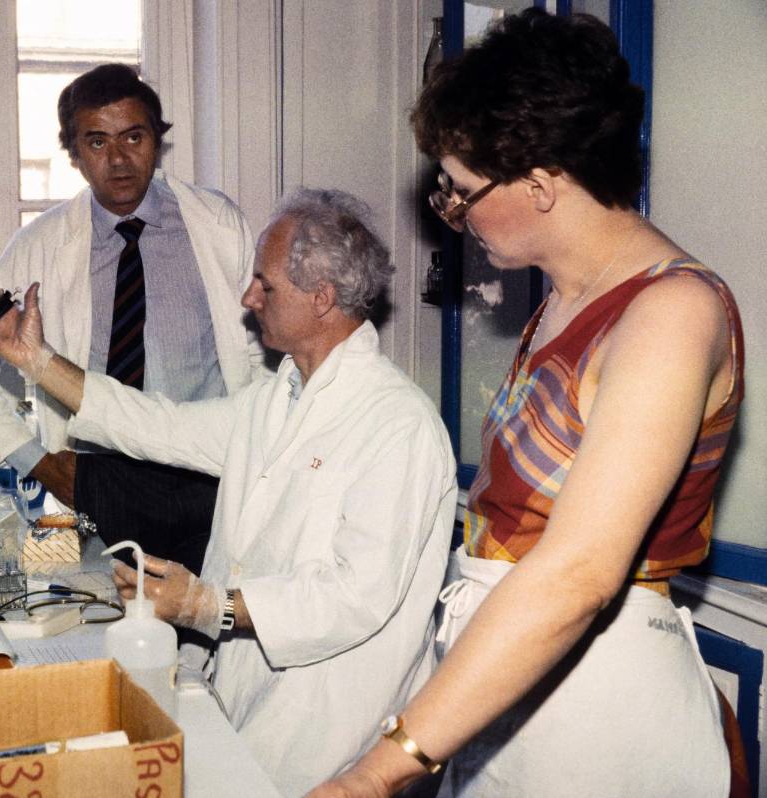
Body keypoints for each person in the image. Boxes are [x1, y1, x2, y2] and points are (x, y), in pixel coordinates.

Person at [308, 9, 746, 798]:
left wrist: (377, 773)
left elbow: (577, 574)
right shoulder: (562, 302)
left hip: (599, 703)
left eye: (463, 192)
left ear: (541, 184)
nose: (454, 215)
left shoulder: (671, 313)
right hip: (516, 674)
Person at [0, 188, 458, 796]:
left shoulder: (397, 424)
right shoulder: (278, 398)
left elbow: (355, 598)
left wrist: (208, 604)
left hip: (337, 740)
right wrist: (38, 361)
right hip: (252, 700)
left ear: (322, 298)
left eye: (265, 283)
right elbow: (159, 424)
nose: (248, 297)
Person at [0, 63, 264, 575]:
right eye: (96, 142)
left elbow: (260, 356)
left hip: (212, 475)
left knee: (215, 631)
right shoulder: (39, 246)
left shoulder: (219, 224)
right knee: (114, 635)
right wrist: (40, 464)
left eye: (133, 136)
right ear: (73, 154)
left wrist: (261, 459)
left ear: (157, 141)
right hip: (98, 481)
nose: (117, 159)